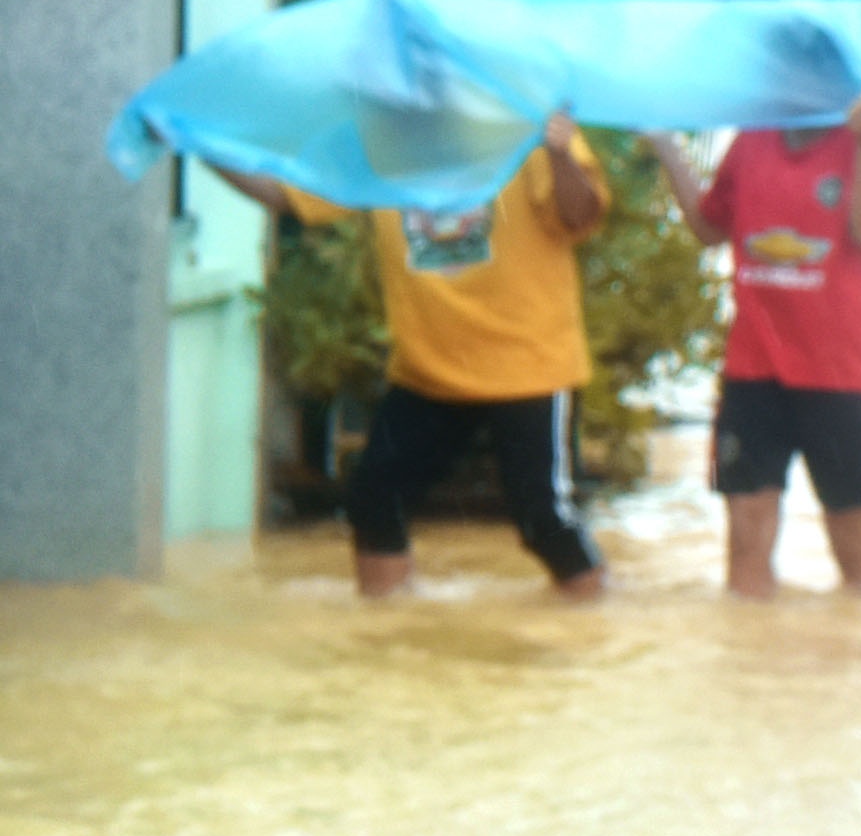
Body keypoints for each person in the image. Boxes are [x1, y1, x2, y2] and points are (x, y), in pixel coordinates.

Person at [210, 112, 613, 602]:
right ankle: (385, 642)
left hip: (526, 363)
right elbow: (284, 192)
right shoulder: (377, 145)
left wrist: (561, 155)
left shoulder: (523, 125)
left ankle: (594, 623)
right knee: (375, 498)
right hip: (431, 368)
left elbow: (581, 216)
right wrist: (193, 141)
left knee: (541, 519)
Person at [654, 90, 861, 600]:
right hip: (753, 364)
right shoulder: (752, 141)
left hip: (836, 369)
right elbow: (708, 228)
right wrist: (666, 147)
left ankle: (860, 660)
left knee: (850, 538)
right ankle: (747, 670)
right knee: (746, 536)